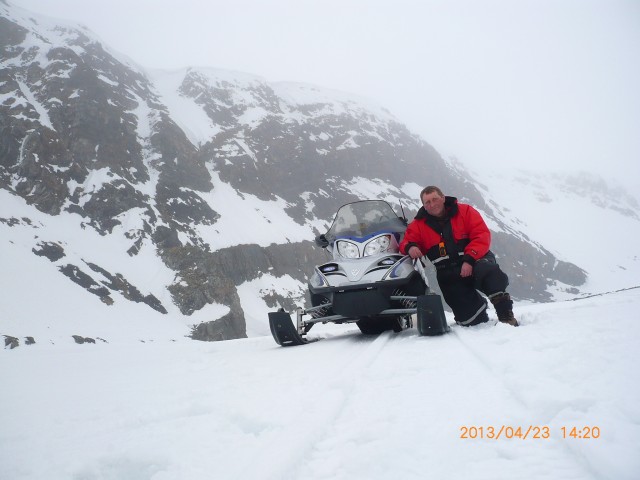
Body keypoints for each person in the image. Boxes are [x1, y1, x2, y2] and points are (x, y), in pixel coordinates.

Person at [400, 186, 519, 327]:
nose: (432, 204)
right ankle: (477, 309)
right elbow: (405, 242)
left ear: (443, 198)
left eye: (435, 199)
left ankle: (505, 315)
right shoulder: (418, 225)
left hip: (476, 260)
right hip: (448, 273)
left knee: (489, 272)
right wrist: (410, 247)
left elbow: (481, 236)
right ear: (424, 205)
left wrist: (469, 260)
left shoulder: (466, 211)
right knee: (470, 321)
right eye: (427, 202)